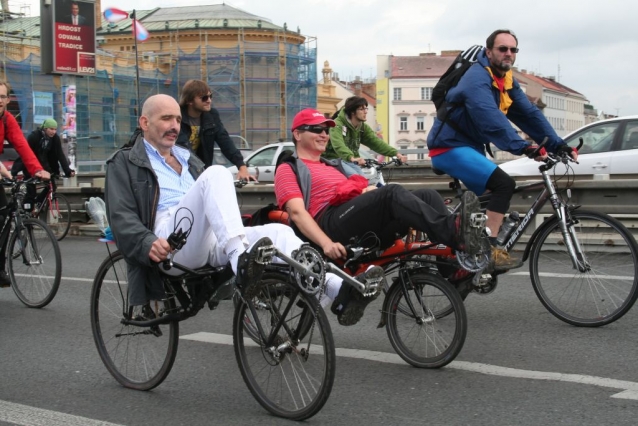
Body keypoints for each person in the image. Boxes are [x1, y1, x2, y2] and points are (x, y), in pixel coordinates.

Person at [105, 94, 378, 327]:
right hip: (168, 241)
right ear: (145, 122)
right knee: (217, 174)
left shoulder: (187, 158)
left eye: (177, 120)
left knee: (278, 233)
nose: (175, 126)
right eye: (166, 119)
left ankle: (337, 288)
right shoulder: (126, 162)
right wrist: (147, 242)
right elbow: (120, 215)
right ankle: (241, 262)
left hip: (206, 237)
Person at [426, 29, 578, 271]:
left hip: (469, 147)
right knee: (504, 185)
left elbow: (528, 114)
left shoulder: (506, 81)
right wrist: (523, 147)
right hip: (448, 147)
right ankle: (490, 249)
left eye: (513, 50)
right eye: (502, 49)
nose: (508, 53)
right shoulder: (476, 78)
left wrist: (557, 144)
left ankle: (463, 246)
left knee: (492, 196)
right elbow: (490, 117)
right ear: (489, 52)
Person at [274, 108, 485, 266]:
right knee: (391, 192)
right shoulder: (289, 168)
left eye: (327, 130)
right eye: (316, 129)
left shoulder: (332, 165)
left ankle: (454, 269)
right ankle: (454, 231)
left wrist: (368, 191)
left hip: (356, 218)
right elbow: (297, 213)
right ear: (298, 134)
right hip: (329, 224)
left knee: (428, 195)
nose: (324, 134)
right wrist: (326, 244)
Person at [0, 81, 51, 287]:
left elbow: (21, 144)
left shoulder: (7, 120)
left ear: (8, 99)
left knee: (4, 215)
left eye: (2, 96)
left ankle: (0, 268)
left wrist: (37, 169)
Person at [176, 79, 256, 182]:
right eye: (204, 98)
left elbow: (225, 141)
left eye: (210, 96)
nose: (209, 100)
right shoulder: (177, 116)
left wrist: (241, 167)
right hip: (179, 171)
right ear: (189, 101)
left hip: (201, 171)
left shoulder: (211, 116)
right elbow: (183, 148)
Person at [324, 96, 407, 170]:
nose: (365, 111)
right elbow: (339, 145)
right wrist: (351, 158)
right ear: (352, 112)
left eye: (366, 108)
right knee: (357, 179)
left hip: (351, 162)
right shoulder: (337, 125)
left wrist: (396, 153)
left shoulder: (362, 127)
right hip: (333, 161)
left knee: (365, 180)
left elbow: (376, 142)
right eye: (362, 109)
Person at [11, 118, 75, 207]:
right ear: (45, 128)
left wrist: (67, 170)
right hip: (30, 165)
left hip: (44, 165)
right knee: (31, 191)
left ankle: (38, 203)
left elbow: (60, 154)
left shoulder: (55, 138)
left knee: (51, 187)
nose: (53, 132)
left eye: (55, 129)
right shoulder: (34, 136)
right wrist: (15, 171)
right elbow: (25, 154)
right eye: (51, 129)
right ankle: (28, 209)